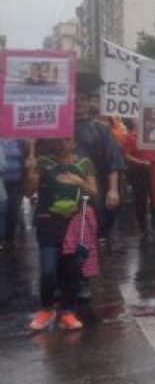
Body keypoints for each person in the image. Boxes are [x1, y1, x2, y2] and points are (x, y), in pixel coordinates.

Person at [25, 137, 98, 331]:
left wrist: (78, 181)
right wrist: (30, 171)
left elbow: (93, 192)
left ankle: (67, 311)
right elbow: (28, 192)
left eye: (68, 140)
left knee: (72, 271)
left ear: (74, 142)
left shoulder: (84, 163)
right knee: (48, 271)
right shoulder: (42, 163)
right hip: (48, 222)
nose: (63, 144)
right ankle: (46, 309)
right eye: (60, 140)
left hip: (73, 225)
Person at [73, 78, 124, 243]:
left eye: (82, 99)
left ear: (89, 103)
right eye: (74, 99)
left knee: (97, 228)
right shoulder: (62, 127)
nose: (78, 103)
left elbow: (113, 159)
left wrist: (113, 189)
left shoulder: (101, 129)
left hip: (97, 186)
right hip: (68, 187)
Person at [1, 138, 27, 249]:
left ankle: (10, 238)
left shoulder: (20, 140)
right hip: (1, 181)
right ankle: (2, 238)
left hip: (17, 181)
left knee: (14, 209)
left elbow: (26, 157)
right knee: (2, 210)